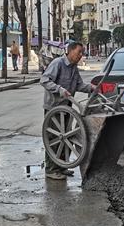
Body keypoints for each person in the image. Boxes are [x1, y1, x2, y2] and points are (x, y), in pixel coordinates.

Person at [40, 42, 96, 180]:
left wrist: (91, 88)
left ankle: (62, 166)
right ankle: (51, 169)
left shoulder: (73, 68)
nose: (81, 55)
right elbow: (44, 80)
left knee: (65, 138)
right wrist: (59, 89)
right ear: (70, 51)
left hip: (66, 108)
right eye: (79, 52)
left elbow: (79, 85)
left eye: (82, 53)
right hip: (54, 108)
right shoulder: (58, 63)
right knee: (54, 139)